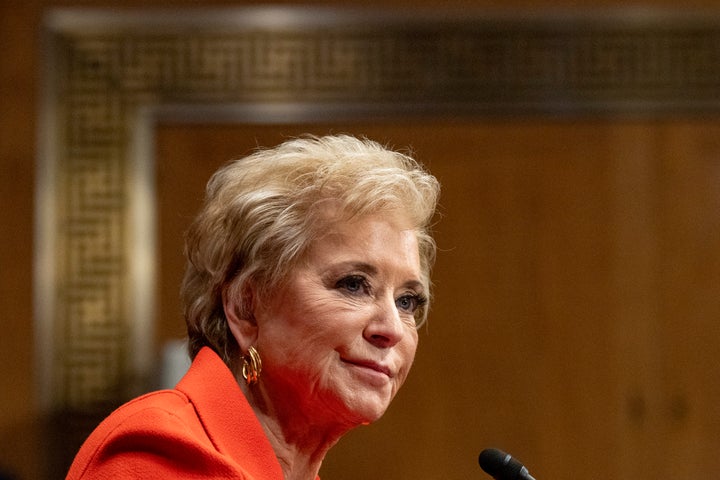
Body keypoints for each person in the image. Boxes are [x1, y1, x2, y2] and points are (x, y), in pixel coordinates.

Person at [66, 134, 440, 480]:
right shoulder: (159, 455)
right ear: (246, 307)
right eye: (354, 285)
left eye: (407, 300)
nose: (391, 329)